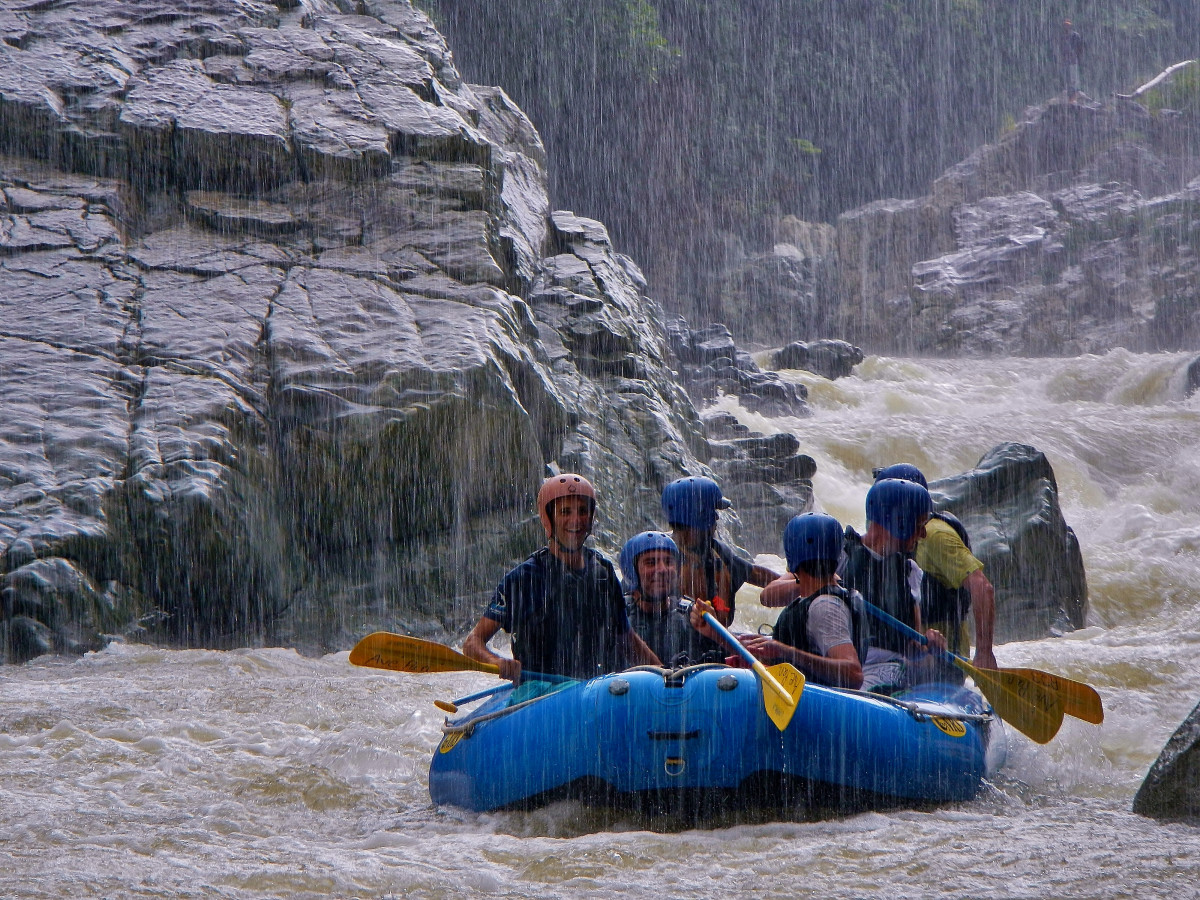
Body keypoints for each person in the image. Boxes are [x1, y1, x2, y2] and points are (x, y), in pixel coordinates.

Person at [463, 473, 661, 681]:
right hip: (541, 695)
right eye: (565, 512)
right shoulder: (523, 579)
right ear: (549, 518)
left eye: (583, 511)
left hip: (596, 690)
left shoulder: (603, 573)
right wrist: (496, 661)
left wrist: (663, 674)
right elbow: (473, 642)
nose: (576, 520)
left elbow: (627, 639)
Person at [718, 513, 867, 689]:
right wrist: (716, 635)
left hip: (814, 707)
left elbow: (853, 675)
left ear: (791, 554)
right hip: (806, 699)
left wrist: (786, 651)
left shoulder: (824, 607)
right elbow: (767, 597)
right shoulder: (822, 596)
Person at [873, 464, 997, 670]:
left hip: (945, 661)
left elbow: (982, 588)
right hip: (910, 658)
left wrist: (984, 652)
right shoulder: (891, 538)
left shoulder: (936, 536)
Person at [839, 477, 947, 691]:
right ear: (899, 521)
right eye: (919, 526)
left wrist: (929, 644)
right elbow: (771, 594)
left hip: (887, 668)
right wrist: (823, 583)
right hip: (841, 661)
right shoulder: (839, 554)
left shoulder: (909, 571)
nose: (923, 534)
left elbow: (913, 649)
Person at [661, 475, 780, 628]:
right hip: (671, 643)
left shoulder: (715, 552)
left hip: (713, 642)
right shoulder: (658, 558)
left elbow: (757, 575)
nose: (716, 517)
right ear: (700, 515)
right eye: (713, 512)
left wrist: (800, 586)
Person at [619, 531, 722, 666]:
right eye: (651, 562)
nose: (663, 569)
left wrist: (715, 635)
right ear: (631, 572)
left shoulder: (693, 616)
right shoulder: (616, 616)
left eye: (669, 562)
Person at [1059, 19, 1084, 103]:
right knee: (1067, 78)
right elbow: (1061, 48)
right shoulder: (1062, 37)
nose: (1066, 27)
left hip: (1073, 60)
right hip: (1065, 60)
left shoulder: (1075, 36)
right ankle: (1067, 93)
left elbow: (1080, 48)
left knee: (1074, 78)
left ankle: (1075, 94)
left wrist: (1075, 55)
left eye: (1068, 25)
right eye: (1065, 25)